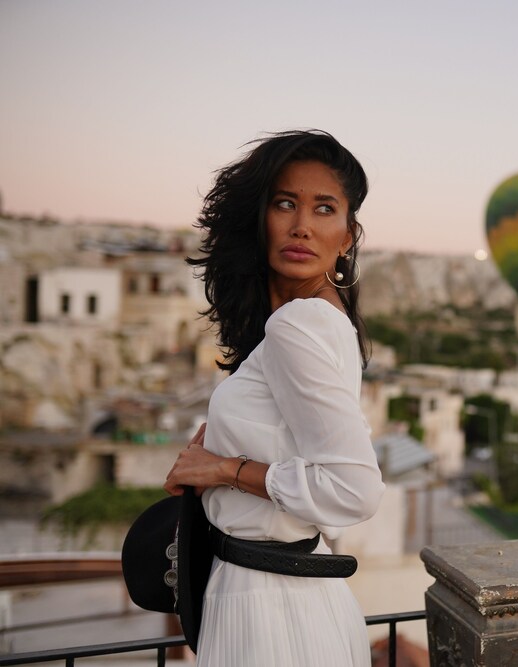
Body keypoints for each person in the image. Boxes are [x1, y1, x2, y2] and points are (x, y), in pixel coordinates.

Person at [164, 129, 385, 666]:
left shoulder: (298, 324)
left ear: (348, 235)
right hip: (283, 597)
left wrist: (221, 469)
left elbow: (354, 489)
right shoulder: (324, 322)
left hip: (270, 613)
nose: (302, 225)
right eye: (285, 203)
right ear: (259, 216)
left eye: (324, 208)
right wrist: (204, 467)